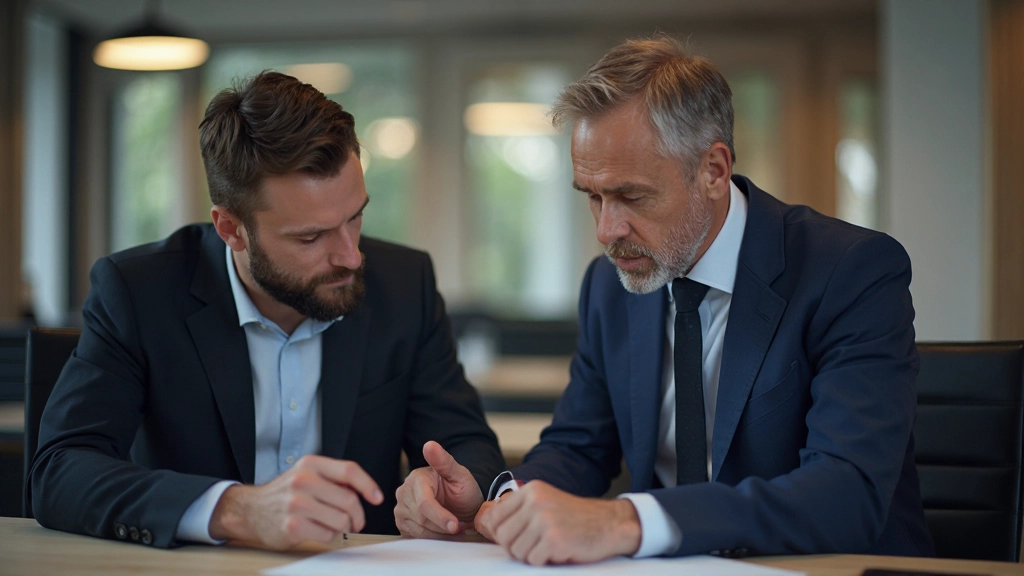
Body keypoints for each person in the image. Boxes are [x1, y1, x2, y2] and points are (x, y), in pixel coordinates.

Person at [394, 36, 935, 564]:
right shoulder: (610, 284)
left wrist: (627, 521)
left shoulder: (850, 271)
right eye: (593, 198)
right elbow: (579, 447)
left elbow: (846, 494)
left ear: (713, 171)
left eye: (631, 196)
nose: (607, 231)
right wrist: (503, 503)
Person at [28, 71, 504, 550]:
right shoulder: (139, 292)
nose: (350, 256)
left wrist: (453, 488)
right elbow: (59, 470)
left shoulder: (404, 284)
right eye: (310, 237)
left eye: (355, 216)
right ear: (231, 229)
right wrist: (235, 509)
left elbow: (467, 444)